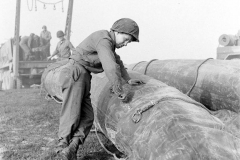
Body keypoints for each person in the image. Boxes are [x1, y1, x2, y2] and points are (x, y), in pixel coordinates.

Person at [42, 18, 143, 159]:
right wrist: (119, 89)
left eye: (128, 42)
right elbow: (110, 66)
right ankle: (61, 149)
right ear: (117, 31)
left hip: (83, 75)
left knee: (88, 116)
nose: (126, 44)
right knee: (72, 113)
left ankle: (71, 148)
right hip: (75, 73)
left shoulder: (108, 42)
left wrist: (128, 79)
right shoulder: (103, 39)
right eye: (126, 39)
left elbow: (117, 61)